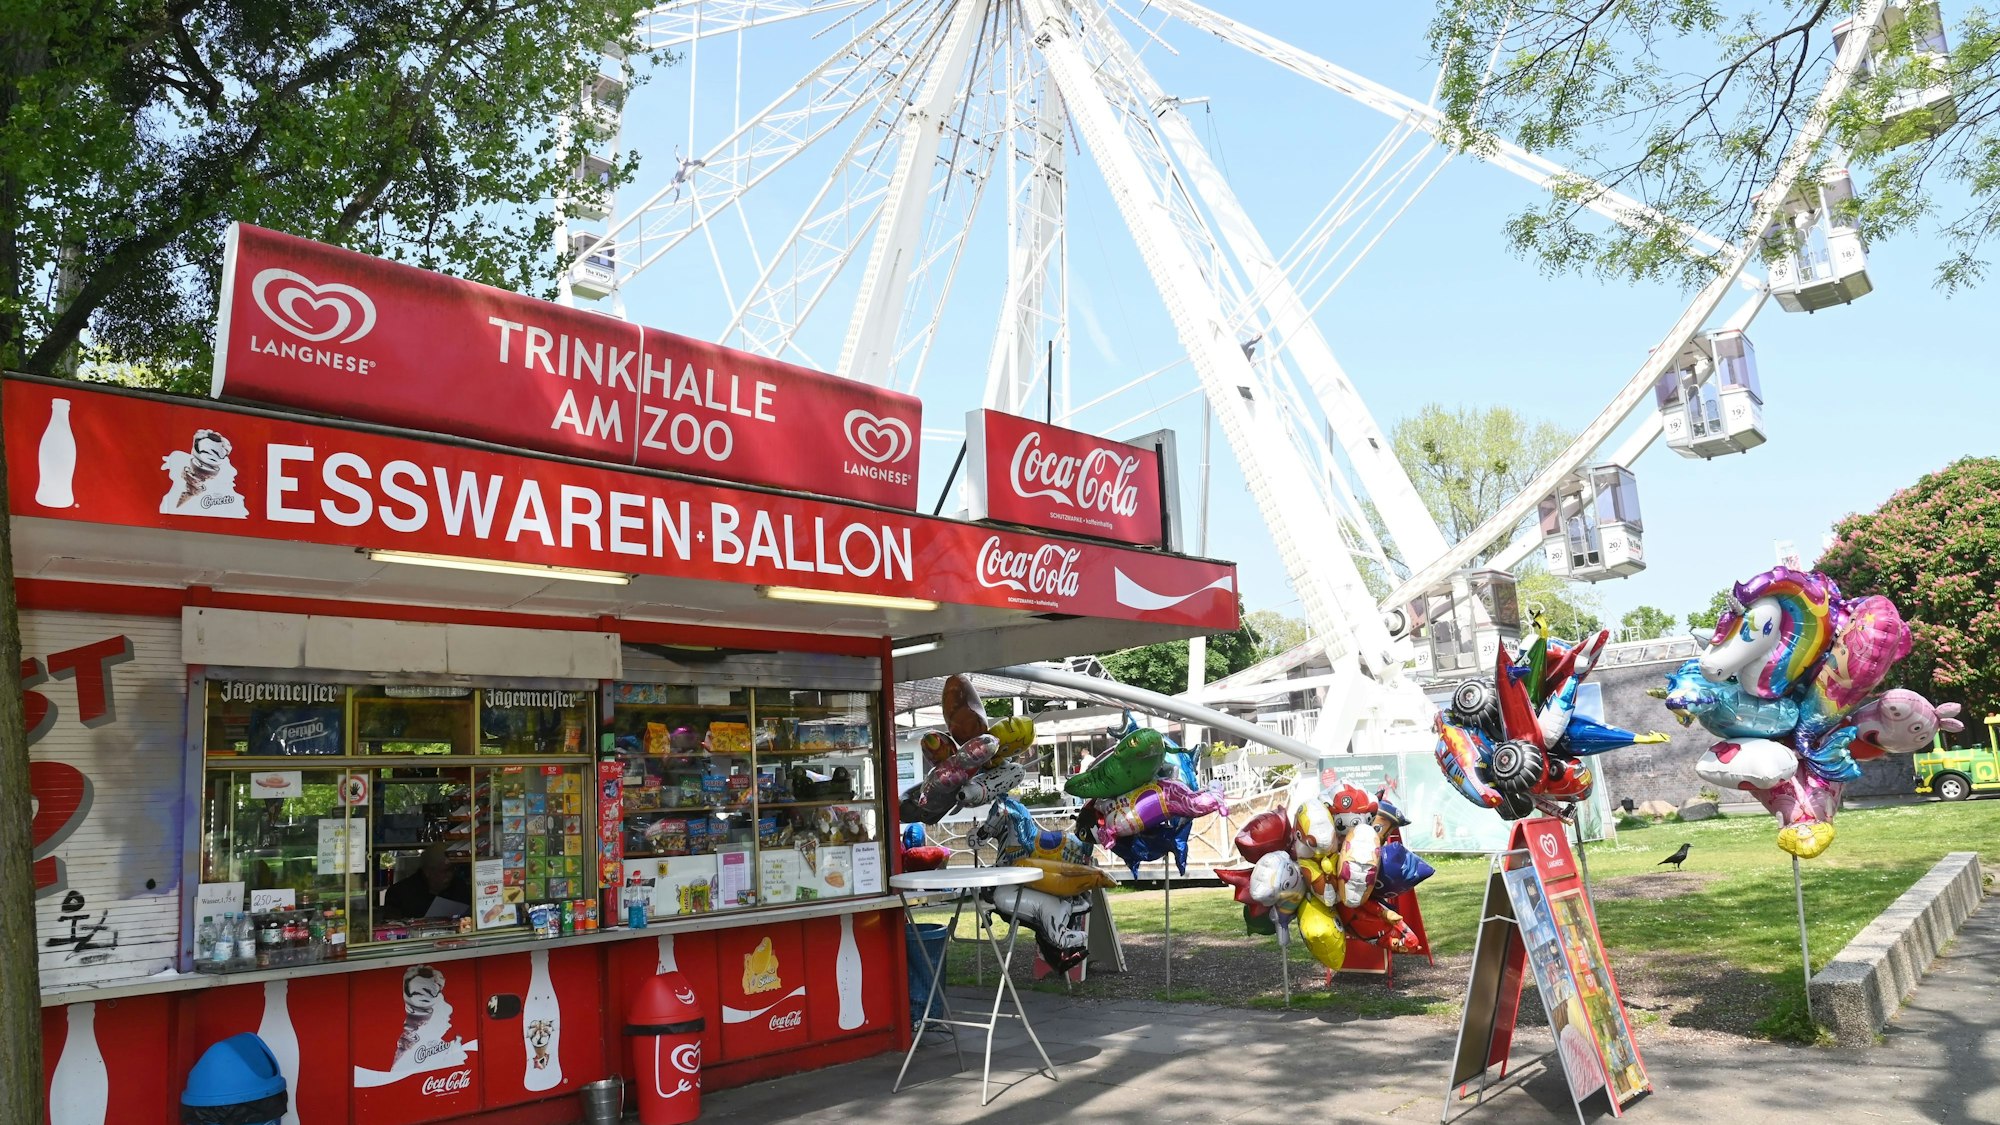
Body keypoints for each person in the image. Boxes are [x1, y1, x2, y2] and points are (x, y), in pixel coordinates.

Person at [384, 844, 471, 920]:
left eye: (452, 869)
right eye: (445, 871)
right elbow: (392, 926)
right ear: (427, 871)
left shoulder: (459, 887)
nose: (450, 875)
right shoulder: (399, 893)